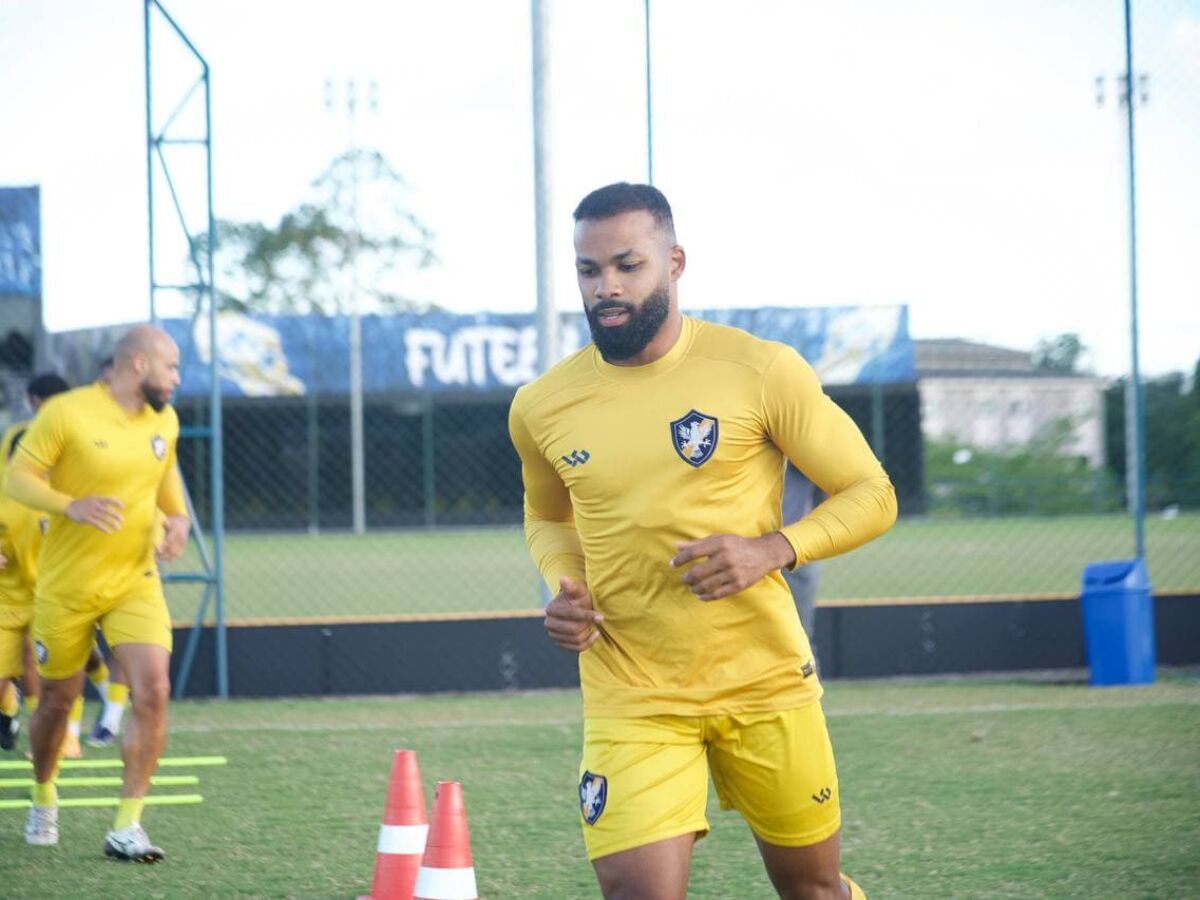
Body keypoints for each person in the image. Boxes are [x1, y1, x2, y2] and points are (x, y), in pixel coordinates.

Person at [509, 183, 897, 899]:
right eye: (590, 271)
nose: (607, 288)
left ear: (675, 261)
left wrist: (771, 549)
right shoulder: (542, 405)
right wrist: (565, 583)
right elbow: (549, 518)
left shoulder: (759, 370)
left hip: (764, 678)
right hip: (632, 687)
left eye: (628, 265)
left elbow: (873, 494)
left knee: (813, 891)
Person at [6, 325, 189, 861]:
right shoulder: (65, 413)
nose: (177, 379)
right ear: (138, 364)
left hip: (135, 581)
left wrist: (176, 519)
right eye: (171, 367)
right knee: (57, 704)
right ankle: (43, 795)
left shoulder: (164, 419)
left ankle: (127, 826)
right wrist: (70, 505)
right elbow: (18, 478)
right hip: (65, 587)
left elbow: (163, 476)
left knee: (153, 690)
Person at [0, 374, 71, 753]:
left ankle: (59, 735)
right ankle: (8, 712)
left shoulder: (76, 445)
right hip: (10, 578)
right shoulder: (16, 440)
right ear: (32, 402)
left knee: (41, 660)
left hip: (54, 578)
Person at [781, 464, 822, 667]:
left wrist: (807, 537)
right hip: (732, 552)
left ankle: (812, 698)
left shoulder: (793, 433)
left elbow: (844, 486)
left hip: (792, 553)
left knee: (796, 641)